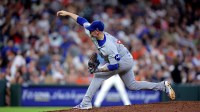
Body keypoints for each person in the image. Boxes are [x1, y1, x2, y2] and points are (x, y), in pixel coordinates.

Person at [56, 10, 176, 109]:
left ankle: (86, 103)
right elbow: (82, 21)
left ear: (97, 32)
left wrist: (98, 69)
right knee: (132, 85)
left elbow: (114, 66)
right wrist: (67, 13)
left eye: (92, 29)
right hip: (125, 58)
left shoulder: (109, 46)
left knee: (98, 75)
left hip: (123, 61)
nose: (89, 30)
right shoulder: (92, 31)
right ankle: (162, 86)